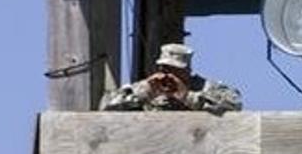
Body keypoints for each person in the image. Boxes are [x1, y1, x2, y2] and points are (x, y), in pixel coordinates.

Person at [99, 43, 243, 114]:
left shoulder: (204, 87)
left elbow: (234, 105)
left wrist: (187, 96)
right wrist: (143, 94)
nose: (168, 75)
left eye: (176, 71)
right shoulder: (146, 87)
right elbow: (105, 107)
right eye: (165, 69)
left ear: (187, 71)